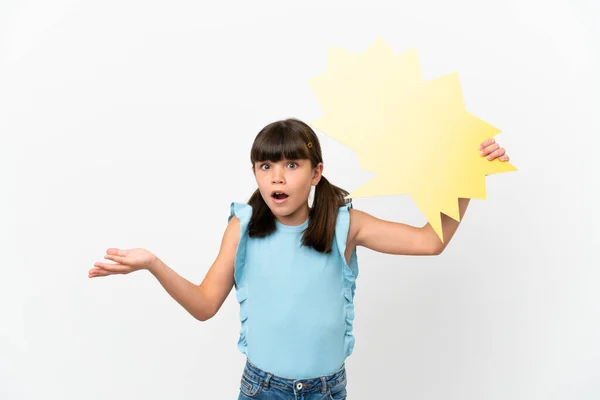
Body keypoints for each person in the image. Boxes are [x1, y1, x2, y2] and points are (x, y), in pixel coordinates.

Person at [88, 118, 510, 399]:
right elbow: (203, 305)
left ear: (316, 171)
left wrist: (467, 179)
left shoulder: (347, 224)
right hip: (262, 389)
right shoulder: (244, 227)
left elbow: (428, 241)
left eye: (291, 164)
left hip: (327, 391)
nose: (276, 177)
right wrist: (153, 264)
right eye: (265, 165)